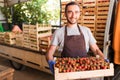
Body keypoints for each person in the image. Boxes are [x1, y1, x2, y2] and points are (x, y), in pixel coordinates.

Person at [46, 1, 108, 76]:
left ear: (79, 14)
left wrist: (103, 58)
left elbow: (96, 50)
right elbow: (50, 52)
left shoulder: (86, 30)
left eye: (76, 12)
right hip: (66, 72)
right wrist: (50, 61)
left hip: (85, 71)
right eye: (70, 12)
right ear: (65, 14)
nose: (73, 15)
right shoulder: (59, 32)